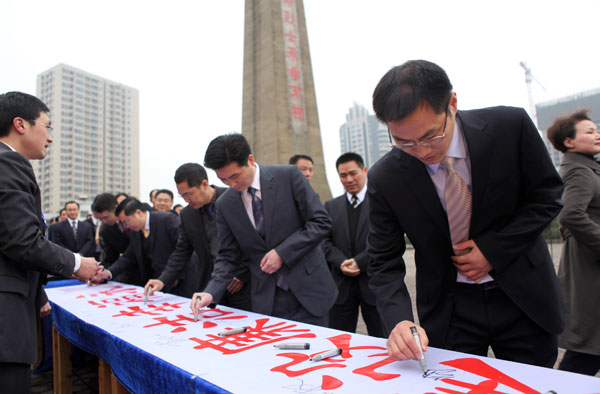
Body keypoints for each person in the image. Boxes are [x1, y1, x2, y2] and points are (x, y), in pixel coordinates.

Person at [367, 60, 564, 367]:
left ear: (452, 104)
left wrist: (494, 249)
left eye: (431, 136)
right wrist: (399, 321)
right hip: (450, 309)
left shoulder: (509, 128)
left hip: (521, 296)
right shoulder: (386, 177)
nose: (422, 151)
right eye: (404, 142)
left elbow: (548, 196)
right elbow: (382, 260)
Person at [0, 91, 99, 392]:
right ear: (21, 124)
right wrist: (77, 264)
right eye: (47, 126)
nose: (50, 137)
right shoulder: (9, 164)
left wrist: (38, 296)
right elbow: (21, 240)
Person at [191, 134, 336, 326]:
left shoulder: (289, 177)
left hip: (309, 290)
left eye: (235, 176)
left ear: (250, 160)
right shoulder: (225, 204)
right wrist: (211, 291)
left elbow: (320, 222)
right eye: (223, 179)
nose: (231, 184)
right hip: (267, 298)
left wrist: (282, 253)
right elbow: (228, 256)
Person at [145, 163, 251, 310]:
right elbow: (181, 252)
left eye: (189, 194)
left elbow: (252, 239)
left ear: (204, 184)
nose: (187, 200)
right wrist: (163, 280)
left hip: (243, 286)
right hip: (211, 286)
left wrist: (242, 274)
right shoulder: (188, 214)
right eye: (182, 196)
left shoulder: (235, 198)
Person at [546, 109, 600, 376]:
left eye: (596, 130)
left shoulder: (587, 166)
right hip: (590, 270)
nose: (597, 135)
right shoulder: (580, 170)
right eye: (589, 131)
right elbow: (571, 215)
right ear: (569, 141)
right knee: (587, 350)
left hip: (589, 265)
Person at [322, 152, 383, 337]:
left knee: (382, 340)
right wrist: (340, 261)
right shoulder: (330, 207)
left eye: (353, 173)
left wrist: (361, 261)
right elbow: (324, 242)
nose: (348, 179)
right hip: (341, 287)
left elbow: (385, 239)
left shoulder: (380, 202)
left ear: (364, 170)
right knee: (338, 341)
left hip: (373, 283)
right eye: (343, 175)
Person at [91, 193, 130, 271]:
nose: (103, 222)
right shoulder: (106, 230)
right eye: (100, 219)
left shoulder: (133, 222)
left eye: (105, 217)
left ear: (116, 208)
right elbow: (110, 257)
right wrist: (102, 271)